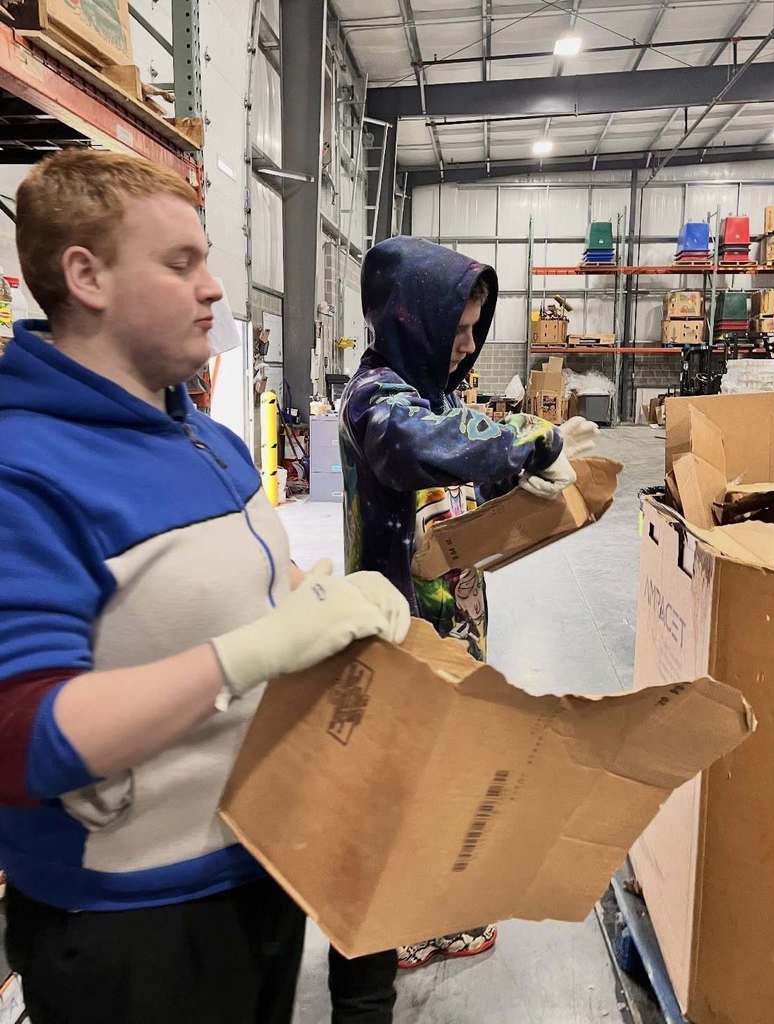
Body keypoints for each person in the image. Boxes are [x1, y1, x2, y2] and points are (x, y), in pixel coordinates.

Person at [0, 148, 411, 1024]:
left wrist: (322, 602)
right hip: (129, 928)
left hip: (259, 866)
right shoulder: (23, 472)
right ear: (87, 277)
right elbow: (19, 736)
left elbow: (242, 584)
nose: (216, 288)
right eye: (181, 263)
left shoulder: (205, 441)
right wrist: (250, 653)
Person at [335, 236, 597, 1017]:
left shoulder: (439, 392)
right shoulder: (377, 397)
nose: (464, 343)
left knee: (454, 754)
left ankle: (439, 908)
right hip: (400, 621)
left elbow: (458, 484)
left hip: (453, 613)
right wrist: (529, 442)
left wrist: (519, 496)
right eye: (455, 325)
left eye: (474, 328)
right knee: (406, 765)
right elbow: (425, 448)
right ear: (410, 317)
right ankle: (407, 921)